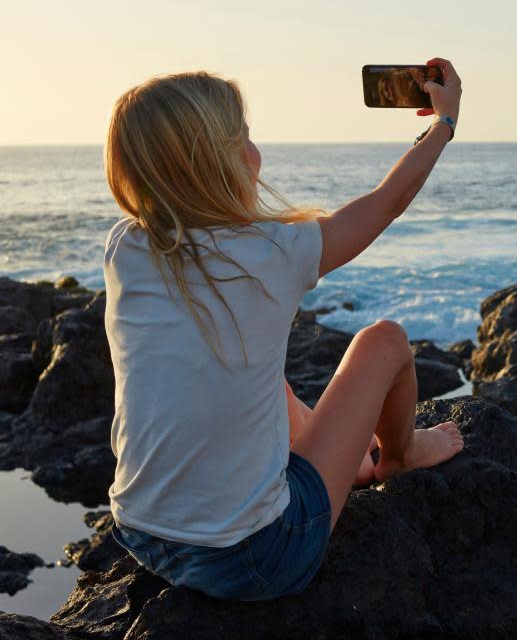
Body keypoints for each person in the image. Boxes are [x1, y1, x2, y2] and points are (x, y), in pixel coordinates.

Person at [102, 56, 464, 602]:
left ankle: (342, 456)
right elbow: (388, 203)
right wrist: (444, 123)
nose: (257, 153)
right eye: (244, 140)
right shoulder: (274, 253)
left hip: (139, 532)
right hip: (257, 559)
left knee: (253, 371)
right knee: (384, 340)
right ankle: (399, 455)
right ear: (221, 162)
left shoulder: (126, 248)